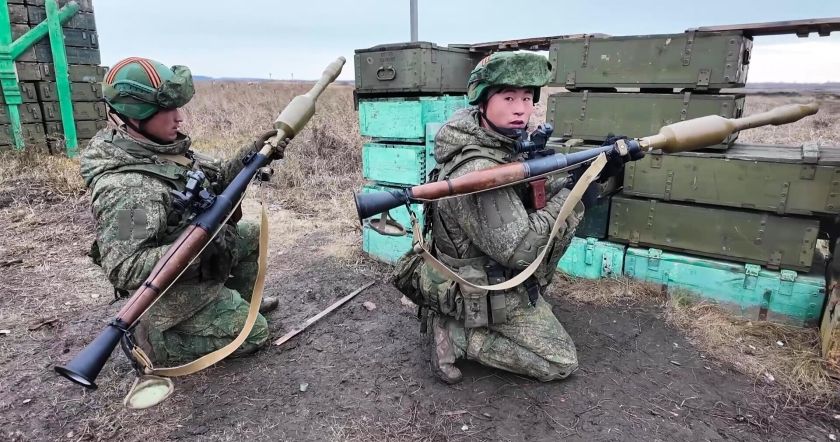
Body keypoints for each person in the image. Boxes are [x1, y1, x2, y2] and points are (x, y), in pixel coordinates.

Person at [416, 51, 633, 384]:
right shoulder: (478, 169)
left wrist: (598, 169)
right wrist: (576, 195)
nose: (520, 108)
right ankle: (458, 335)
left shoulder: (497, 141)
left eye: (527, 98)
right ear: (483, 101)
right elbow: (521, 251)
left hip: (491, 267)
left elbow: (535, 189)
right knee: (559, 361)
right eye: (508, 98)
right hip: (479, 284)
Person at [80, 57, 280, 365]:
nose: (179, 118)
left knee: (250, 233)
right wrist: (193, 248)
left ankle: (234, 302)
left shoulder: (162, 151)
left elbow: (217, 182)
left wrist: (254, 154)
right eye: (167, 110)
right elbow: (126, 268)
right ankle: (153, 342)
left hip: (195, 265)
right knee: (255, 334)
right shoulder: (130, 187)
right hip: (167, 289)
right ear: (135, 115)